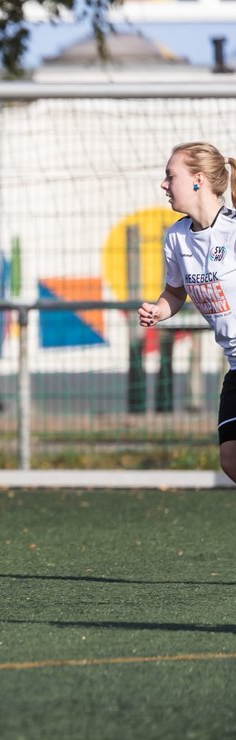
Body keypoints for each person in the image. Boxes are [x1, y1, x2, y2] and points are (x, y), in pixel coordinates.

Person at [141, 141, 236, 484]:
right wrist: (159, 310)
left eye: (170, 176)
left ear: (198, 179)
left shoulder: (233, 230)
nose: (164, 185)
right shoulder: (177, 238)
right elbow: (175, 292)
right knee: (231, 457)